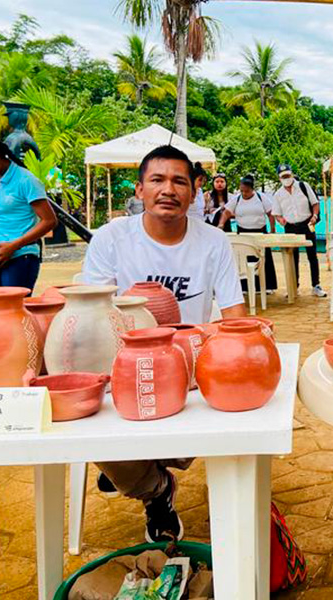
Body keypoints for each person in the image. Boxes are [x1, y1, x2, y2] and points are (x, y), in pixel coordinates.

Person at [82, 145, 247, 542]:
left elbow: (236, 317)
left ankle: (139, 468)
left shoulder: (213, 242)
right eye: (157, 180)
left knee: (226, 404)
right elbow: (89, 316)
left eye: (179, 181)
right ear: (139, 190)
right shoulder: (111, 238)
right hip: (123, 366)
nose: (168, 189)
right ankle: (156, 489)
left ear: (194, 193)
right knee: (88, 423)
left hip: (189, 366)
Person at [0, 133, 57, 291]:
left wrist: (14, 246)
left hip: (21, 254)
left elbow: (49, 221)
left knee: (12, 310)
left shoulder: (26, 180)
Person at [271, 164, 327, 298]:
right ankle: (293, 286)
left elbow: (315, 203)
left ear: (292, 174)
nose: (286, 178)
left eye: (288, 175)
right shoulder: (278, 194)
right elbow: (276, 213)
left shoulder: (303, 186)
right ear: (279, 178)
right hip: (290, 227)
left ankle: (316, 285)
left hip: (307, 224)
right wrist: (280, 220)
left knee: (312, 255)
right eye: (283, 176)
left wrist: (314, 216)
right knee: (292, 257)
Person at [221, 174, 278, 293]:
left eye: (246, 191)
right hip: (243, 233)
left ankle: (267, 286)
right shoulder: (236, 199)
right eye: (242, 191)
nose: (244, 193)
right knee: (243, 260)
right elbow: (226, 212)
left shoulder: (261, 197)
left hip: (260, 232)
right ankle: (245, 287)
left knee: (263, 258)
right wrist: (221, 224)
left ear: (252, 189)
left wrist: (272, 229)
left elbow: (270, 213)